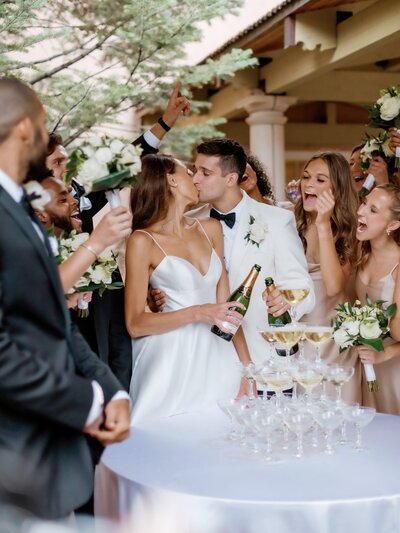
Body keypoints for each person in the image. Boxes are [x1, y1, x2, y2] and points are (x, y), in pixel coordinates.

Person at [0, 77, 130, 519]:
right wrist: (84, 401)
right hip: (11, 459)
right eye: (41, 123)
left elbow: (51, 317)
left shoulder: (21, 208)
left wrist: (110, 390)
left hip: (47, 457)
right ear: (23, 127)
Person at [125, 154, 250, 423]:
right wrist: (198, 312)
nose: (195, 178)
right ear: (171, 180)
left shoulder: (211, 229)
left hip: (218, 356)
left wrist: (249, 369)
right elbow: (135, 323)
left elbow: (229, 307)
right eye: (188, 172)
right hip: (172, 361)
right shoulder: (142, 241)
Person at [189, 139, 314, 367]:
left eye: (205, 173)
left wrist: (285, 301)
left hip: (263, 357)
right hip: (203, 357)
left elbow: (304, 288)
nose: (195, 179)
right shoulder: (188, 224)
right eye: (195, 170)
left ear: (231, 179)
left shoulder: (277, 220)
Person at [293, 152, 360, 399]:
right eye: (306, 177)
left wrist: (323, 224)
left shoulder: (351, 230)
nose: (309, 184)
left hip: (333, 340)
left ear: (337, 188)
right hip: (297, 334)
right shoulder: (291, 222)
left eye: (320, 180)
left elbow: (334, 287)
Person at [355, 184, 400, 414]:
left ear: (392, 225)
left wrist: (386, 353)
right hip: (365, 365)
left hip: (394, 371)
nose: (361, 211)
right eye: (364, 204)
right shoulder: (357, 254)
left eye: (373, 210)